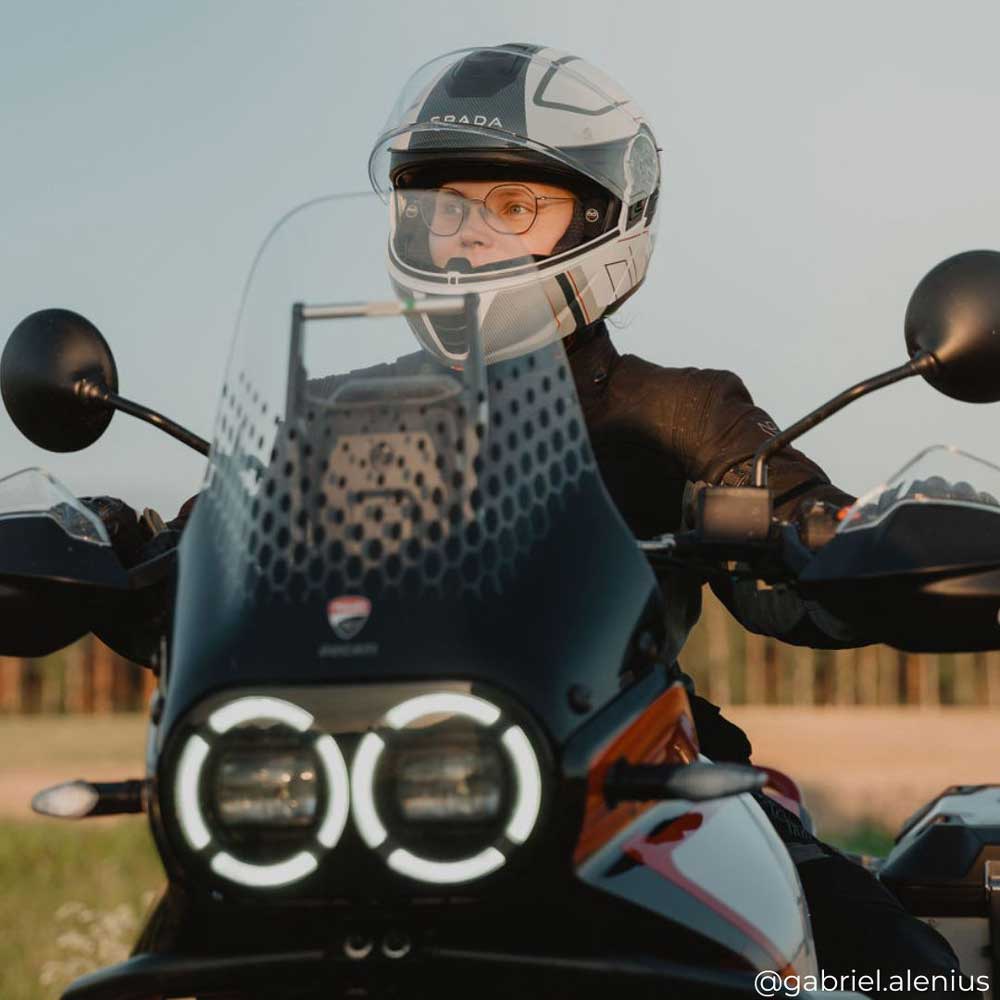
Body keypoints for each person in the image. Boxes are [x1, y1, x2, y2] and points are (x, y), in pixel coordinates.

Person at [85, 42, 964, 993]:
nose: (467, 238)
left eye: (512, 208)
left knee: (903, 971)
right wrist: (97, 548)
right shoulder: (333, 412)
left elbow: (802, 545)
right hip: (344, 789)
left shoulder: (678, 412)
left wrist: (860, 538)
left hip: (636, 789)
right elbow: (203, 567)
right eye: (444, 208)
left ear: (599, 219)